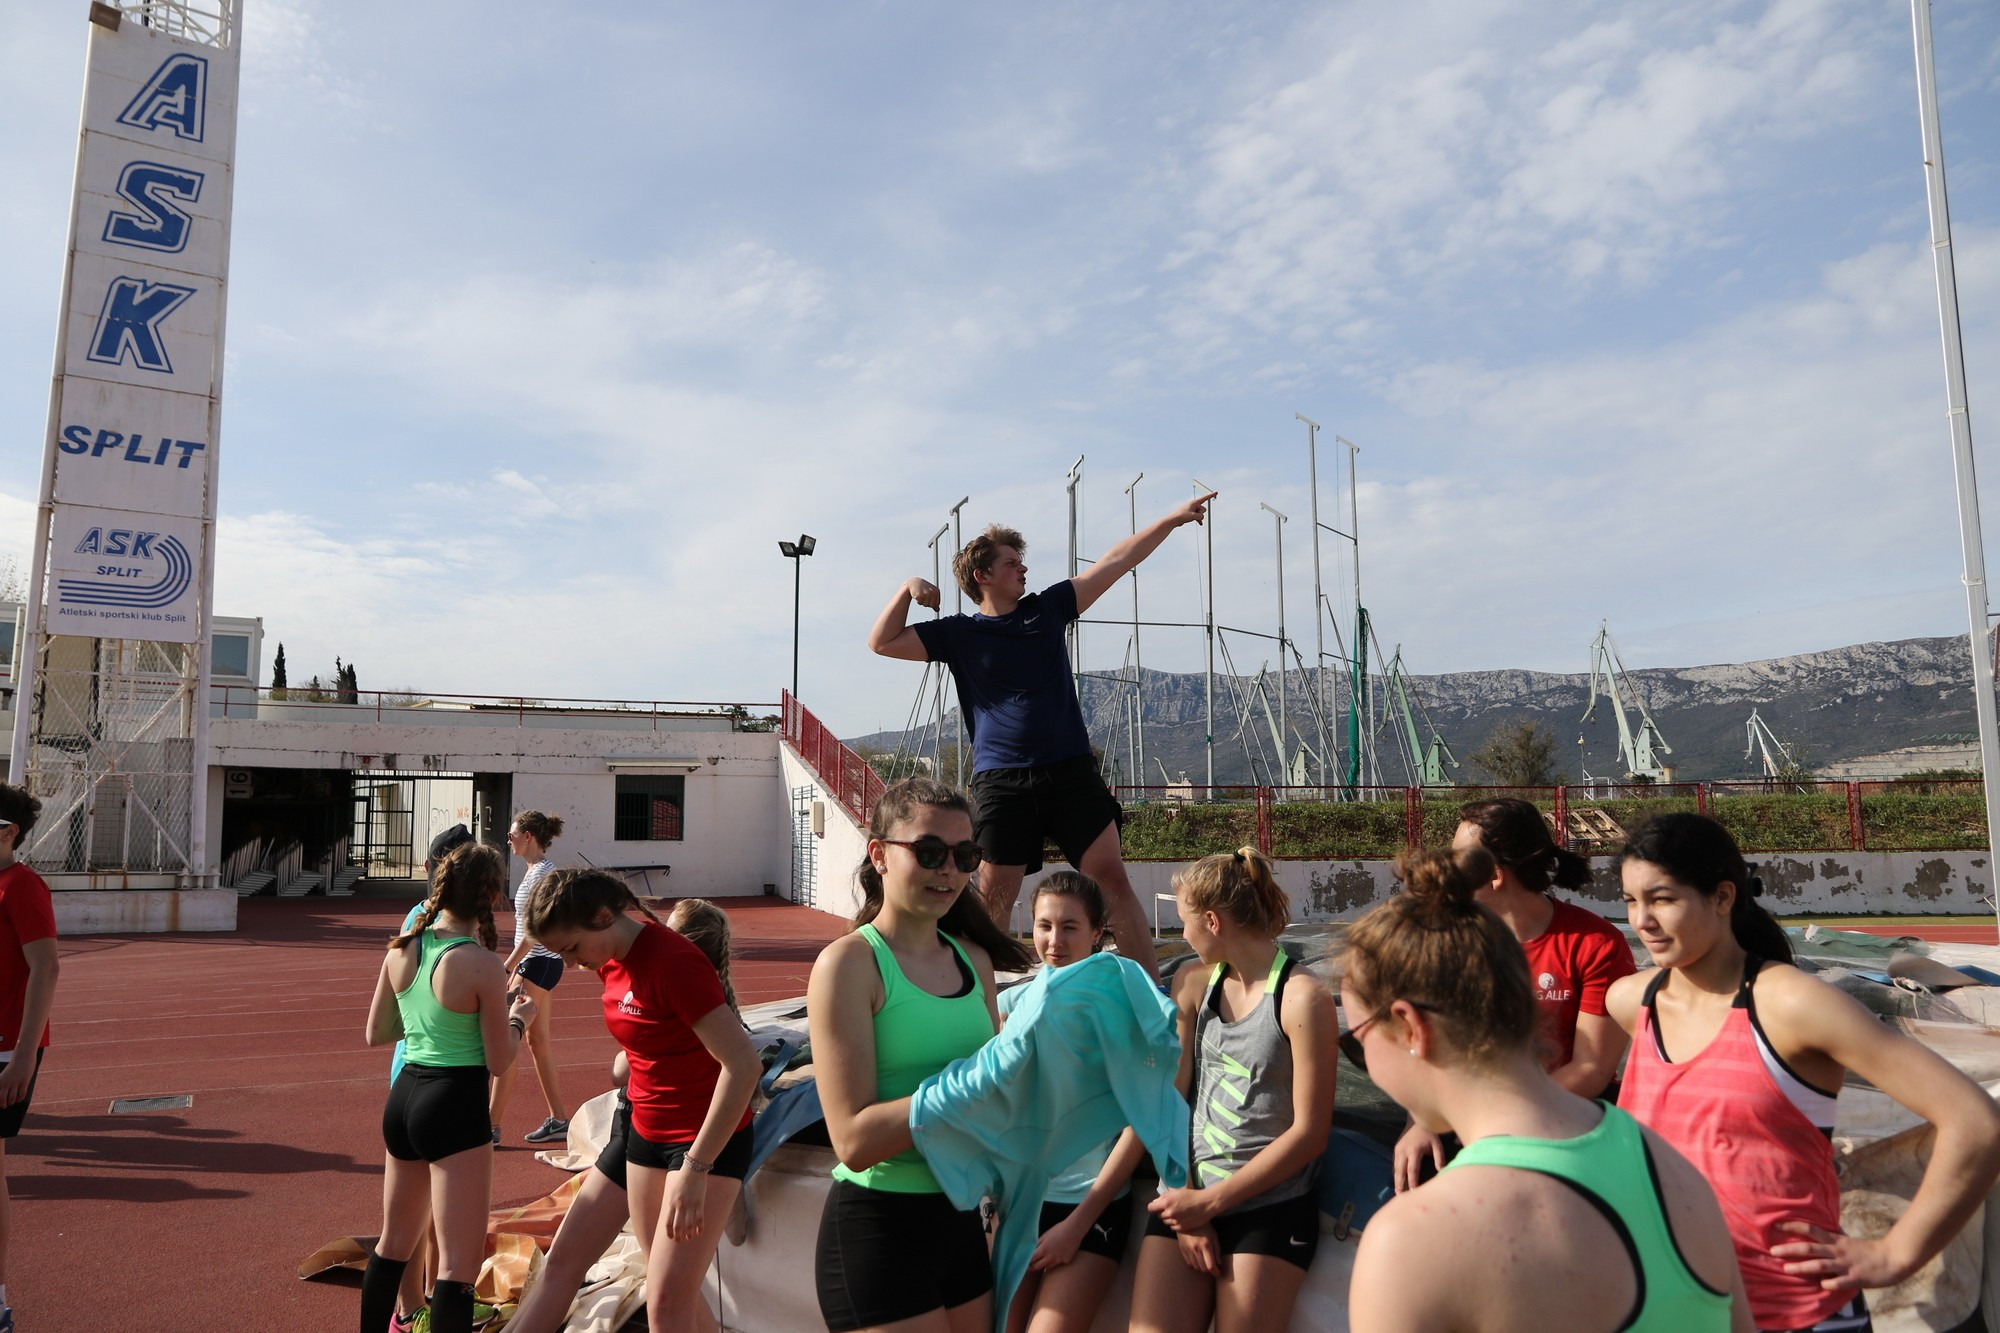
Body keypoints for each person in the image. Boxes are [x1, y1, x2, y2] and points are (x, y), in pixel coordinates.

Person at [1610, 814, 2000, 1333]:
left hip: (1795, 1313)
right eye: (1630, 901)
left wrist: (1895, 1254)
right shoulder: (1630, 1002)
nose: (1642, 921)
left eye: (1661, 899)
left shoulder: (1793, 1003)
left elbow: (1975, 1122)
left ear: (1722, 897)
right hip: (1671, 1309)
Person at [1342, 846, 1750, 1333]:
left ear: (1411, 1027)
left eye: (1357, 1041)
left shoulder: (1410, 1238)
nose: (1364, 1060)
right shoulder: (1676, 1173)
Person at [867, 494, 1216, 981]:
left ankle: (1149, 993)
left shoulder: (1047, 609)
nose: (1023, 569)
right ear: (982, 576)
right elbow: (882, 642)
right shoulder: (958, 634)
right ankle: (973, 999)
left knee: (1111, 881)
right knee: (993, 897)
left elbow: (1116, 561)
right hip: (1002, 781)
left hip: (1070, 771)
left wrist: (1171, 520)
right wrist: (908, 588)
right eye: (1012, 563)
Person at [807, 777, 1035, 1333]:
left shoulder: (974, 960)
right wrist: (967, 1088)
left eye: (965, 855)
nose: (949, 870)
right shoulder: (849, 965)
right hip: (880, 1227)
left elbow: (995, 1102)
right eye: (930, 852)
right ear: (879, 855)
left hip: (961, 1220)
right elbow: (854, 1142)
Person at [525, 869, 760, 1333]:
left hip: (702, 1143)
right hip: (645, 1133)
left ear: (602, 917)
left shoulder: (674, 962)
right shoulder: (609, 958)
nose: (569, 964)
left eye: (571, 949)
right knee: (667, 1294)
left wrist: (695, 1168)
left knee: (665, 1307)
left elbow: (743, 1065)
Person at [1130, 848, 1336, 1333]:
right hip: (1185, 1196)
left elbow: (1310, 1133)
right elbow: (1170, 1097)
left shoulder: (1302, 997)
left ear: (1212, 921)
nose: (1182, 936)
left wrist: (1211, 1204)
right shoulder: (1192, 982)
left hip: (1267, 1209)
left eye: (1185, 923)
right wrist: (1187, 1199)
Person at [1394, 797, 1636, 1190]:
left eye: (1457, 860)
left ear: (1493, 875)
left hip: (1563, 1126)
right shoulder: (1448, 940)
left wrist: (1500, 1120)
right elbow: (1431, 1049)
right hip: (1473, 1119)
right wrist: (1420, 1122)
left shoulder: (1596, 944)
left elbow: (1590, 1069)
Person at [362, 844, 535, 1333]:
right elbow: (499, 1060)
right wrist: (518, 1020)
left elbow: (377, 1032)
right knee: (457, 1268)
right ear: (493, 895)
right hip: (454, 1104)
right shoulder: (481, 963)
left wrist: (430, 1018)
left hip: (404, 1098)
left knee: (392, 1244)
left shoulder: (403, 946)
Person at [998, 872, 1147, 1333]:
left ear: (1097, 932)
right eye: (1044, 926)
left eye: (1070, 927)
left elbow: (1140, 1127)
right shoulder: (1010, 1006)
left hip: (1090, 1209)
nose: (1054, 940)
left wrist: (1078, 1225)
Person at [388, 823, 482, 1333]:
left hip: (412, 1080)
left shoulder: (430, 921)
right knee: (419, 1217)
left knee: (420, 1217)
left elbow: (380, 1023)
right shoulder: (429, 921)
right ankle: (410, 1308)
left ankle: (419, 1303)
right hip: (437, 1078)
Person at [0, 784, 56, 1333]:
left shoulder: (21, 885)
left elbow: (46, 967)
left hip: (3, 1050)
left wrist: (22, 1056)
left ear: (8, 832)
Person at [495, 811, 571, 1145]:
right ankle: (559, 1119)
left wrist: (507, 967)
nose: (508, 840)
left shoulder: (542, 873)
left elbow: (535, 930)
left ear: (528, 836)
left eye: (512, 835)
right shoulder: (534, 871)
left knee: (508, 1038)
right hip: (540, 964)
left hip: (536, 964)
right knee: (537, 1042)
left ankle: (490, 1125)